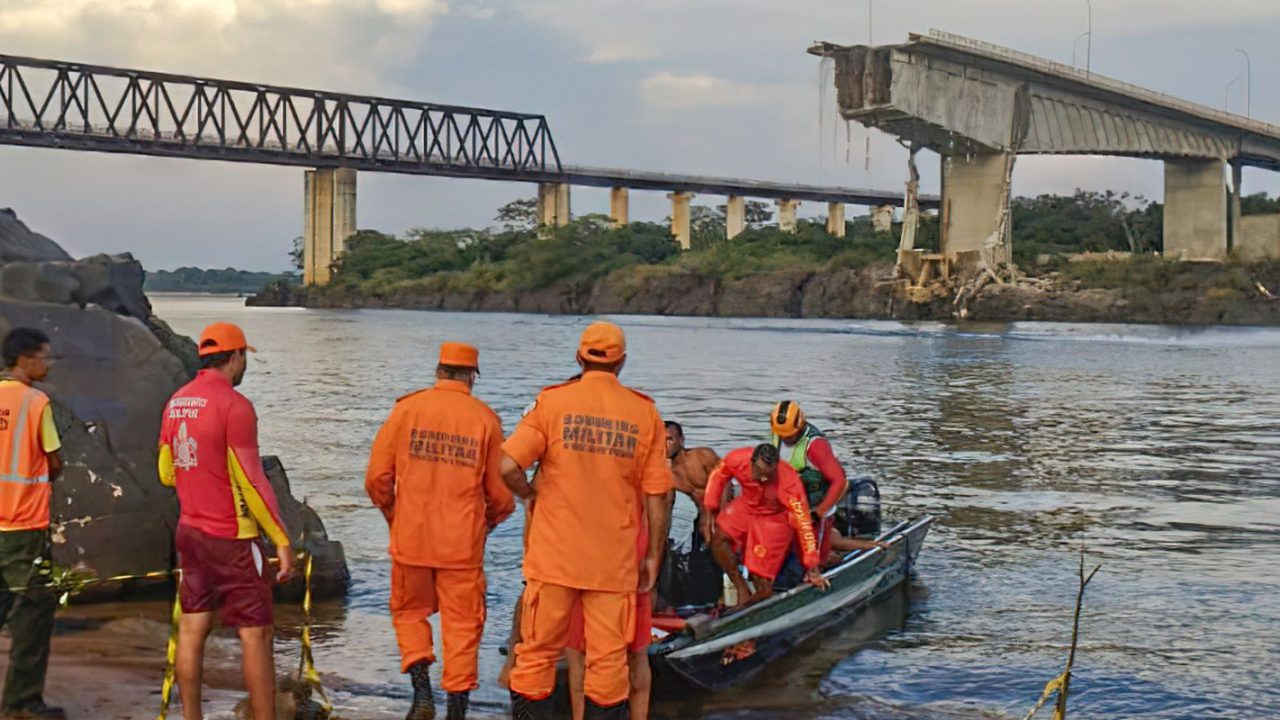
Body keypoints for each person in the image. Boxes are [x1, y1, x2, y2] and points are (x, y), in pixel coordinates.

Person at [501, 321, 672, 720]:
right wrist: (653, 559)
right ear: (622, 362)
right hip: (613, 564)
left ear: (579, 357)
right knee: (608, 664)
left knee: (537, 655)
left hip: (553, 559)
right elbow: (658, 496)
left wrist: (528, 495)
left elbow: (507, 464)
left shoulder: (551, 403)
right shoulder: (644, 413)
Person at [365, 342, 515, 720]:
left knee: (409, 613)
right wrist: (489, 522)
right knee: (463, 626)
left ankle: (421, 694)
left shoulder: (406, 410)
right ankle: (457, 712)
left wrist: (394, 515)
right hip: (461, 546)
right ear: (471, 377)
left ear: (438, 371)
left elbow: (377, 479)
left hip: (411, 538)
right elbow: (500, 494)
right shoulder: (485, 419)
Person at [158, 322, 296, 720]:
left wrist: (200, 470)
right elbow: (252, 480)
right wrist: (281, 539)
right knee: (256, 633)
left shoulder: (177, 401)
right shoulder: (235, 405)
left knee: (192, 628)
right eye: (244, 357)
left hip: (190, 532)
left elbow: (166, 471)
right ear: (236, 357)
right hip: (232, 536)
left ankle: (191, 717)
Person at [0, 328, 64, 719]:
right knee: (33, 614)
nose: (49, 363)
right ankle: (21, 702)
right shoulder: (36, 403)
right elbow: (53, 460)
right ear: (25, 359)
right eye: (46, 356)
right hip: (23, 526)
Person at [703, 444, 827, 607]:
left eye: (767, 475)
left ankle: (750, 604)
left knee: (761, 578)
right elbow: (718, 475)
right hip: (747, 504)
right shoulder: (736, 459)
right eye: (759, 473)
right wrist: (709, 511)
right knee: (718, 538)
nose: (763, 479)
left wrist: (812, 566)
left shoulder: (788, 482)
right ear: (752, 461)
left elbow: (804, 524)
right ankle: (740, 586)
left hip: (774, 517)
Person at [768, 401, 851, 565]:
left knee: (814, 561)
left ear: (800, 425)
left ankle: (829, 561)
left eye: (790, 435)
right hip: (790, 506)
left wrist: (819, 513)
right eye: (781, 434)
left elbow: (839, 481)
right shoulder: (778, 433)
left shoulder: (815, 446)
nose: (785, 438)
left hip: (815, 507)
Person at [664, 421, 720, 546]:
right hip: (701, 516)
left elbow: (726, 482)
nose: (665, 445)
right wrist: (663, 538)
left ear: (681, 439)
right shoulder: (667, 474)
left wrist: (710, 517)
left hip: (724, 509)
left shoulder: (703, 455)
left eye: (669, 439)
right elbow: (667, 507)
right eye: (660, 441)